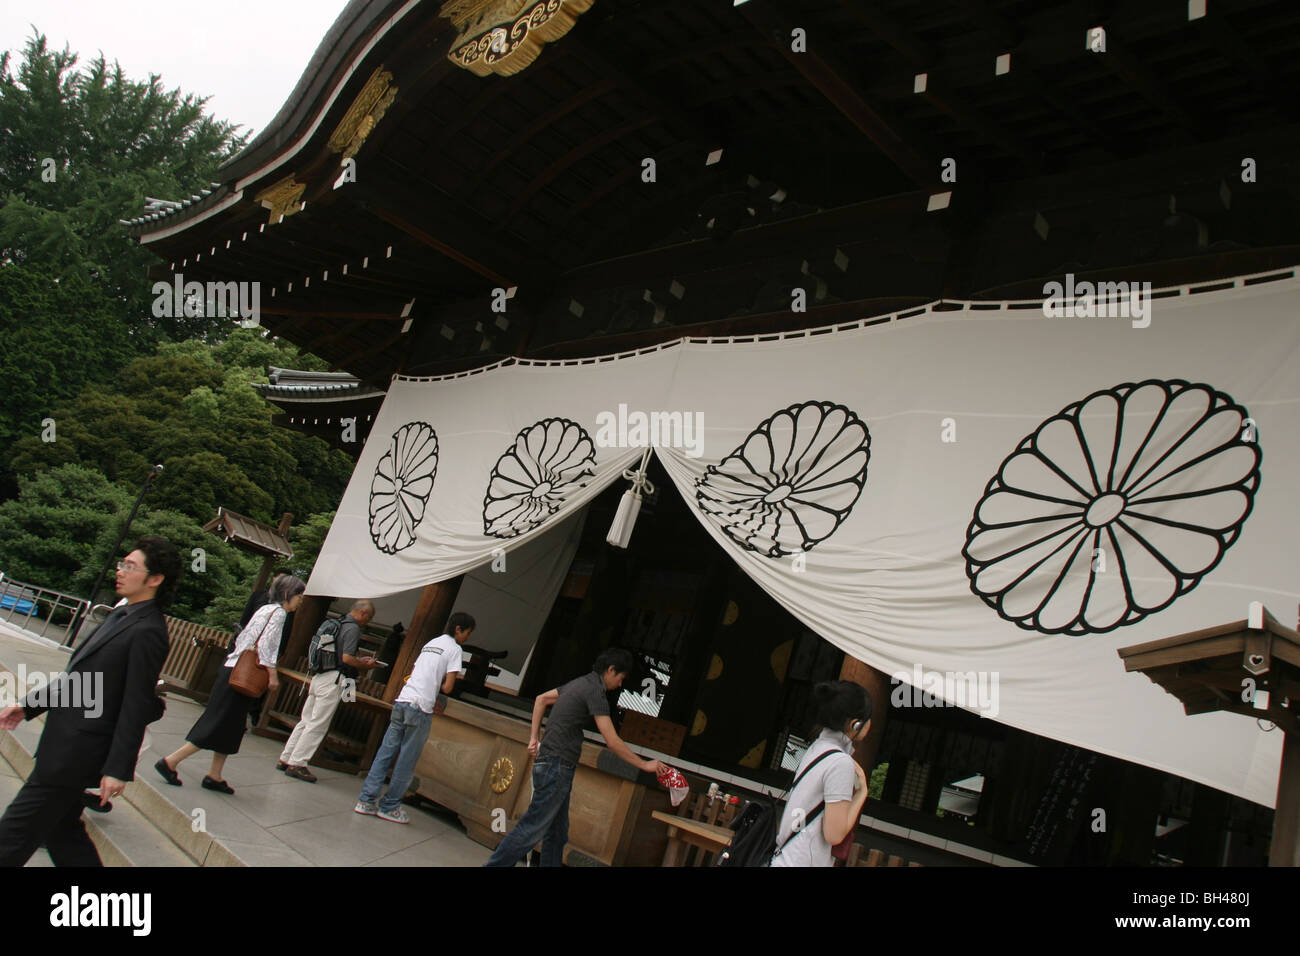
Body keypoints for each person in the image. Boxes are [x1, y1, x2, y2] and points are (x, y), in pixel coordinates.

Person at [0, 536, 181, 866]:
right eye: (121, 563)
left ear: (155, 579)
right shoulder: (121, 614)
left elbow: (135, 703)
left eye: (131, 566)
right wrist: (28, 705)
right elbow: (82, 681)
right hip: (64, 743)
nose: (121, 571)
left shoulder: (148, 631)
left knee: (12, 835)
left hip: (76, 755)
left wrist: (117, 768)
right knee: (64, 834)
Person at [484, 648, 664, 867]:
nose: (620, 685)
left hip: (550, 763)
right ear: (611, 670)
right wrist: (644, 764)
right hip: (557, 767)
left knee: (557, 833)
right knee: (531, 829)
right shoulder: (594, 692)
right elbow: (612, 740)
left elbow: (541, 700)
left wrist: (534, 738)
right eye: (620, 678)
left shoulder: (577, 684)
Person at [156, 574, 306, 794]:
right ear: (287, 594)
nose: (301, 600)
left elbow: (245, 638)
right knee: (218, 722)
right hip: (242, 675)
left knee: (232, 726)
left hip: (232, 669)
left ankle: (214, 775)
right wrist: (272, 675)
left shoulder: (265, 609)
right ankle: (170, 761)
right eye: (299, 596)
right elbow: (266, 647)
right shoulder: (280, 614)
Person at [355, 612, 475, 824]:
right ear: (458, 629)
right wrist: (436, 694)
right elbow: (448, 686)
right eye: (468, 633)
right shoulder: (455, 649)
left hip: (403, 699)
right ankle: (390, 806)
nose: (467, 637)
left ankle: (366, 800)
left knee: (385, 752)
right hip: (420, 707)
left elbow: (415, 671)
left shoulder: (431, 643)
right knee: (406, 759)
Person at [770, 680, 873, 868]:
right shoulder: (840, 762)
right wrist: (862, 794)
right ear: (856, 724)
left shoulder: (817, 748)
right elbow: (834, 834)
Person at [278, 599, 379, 782]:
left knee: (306, 720)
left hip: (319, 676)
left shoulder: (336, 623)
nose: (367, 621)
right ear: (363, 613)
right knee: (318, 724)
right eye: (369, 617)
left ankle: (286, 758)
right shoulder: (353, 628)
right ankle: (298, 763)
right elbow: (347, 658)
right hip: (334, 679)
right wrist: (365, 665)